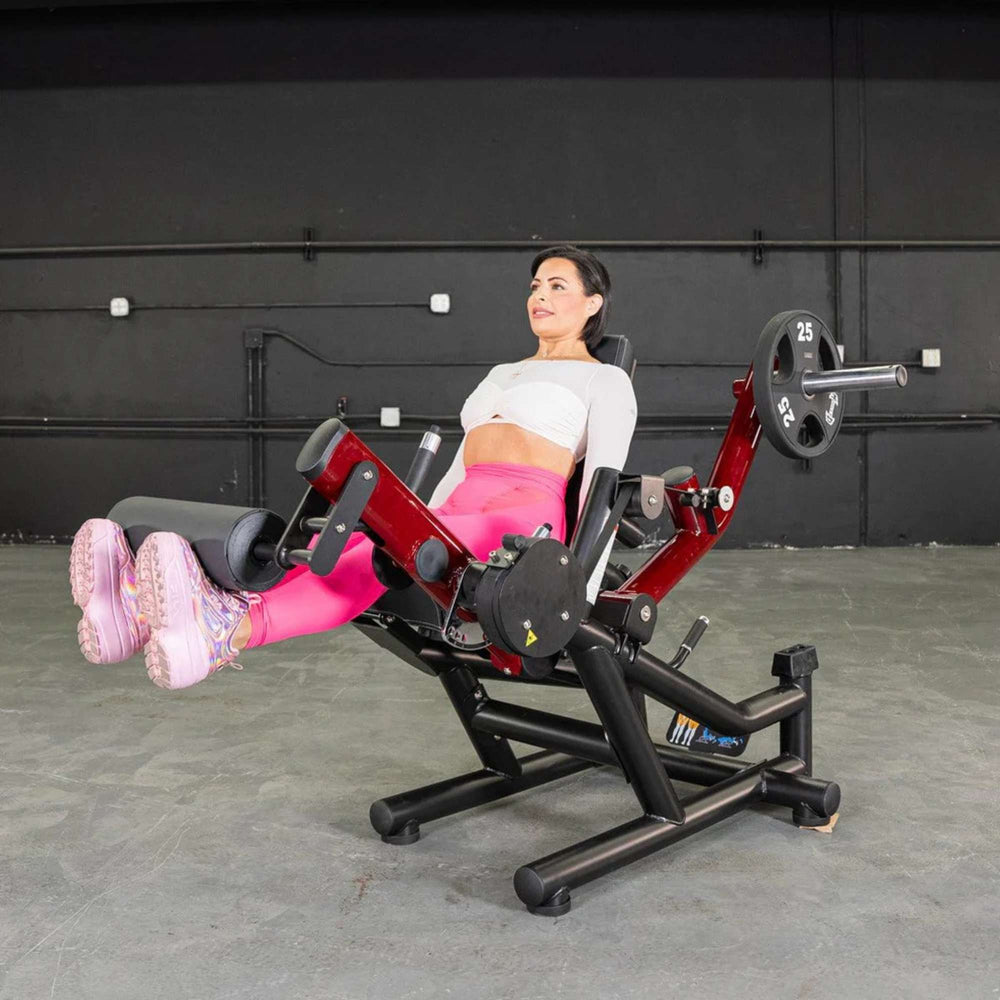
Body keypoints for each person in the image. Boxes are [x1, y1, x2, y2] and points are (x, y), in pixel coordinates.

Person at [69, 246, 638, 690]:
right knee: (348, 539)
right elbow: (462, 463)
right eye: (535, 286)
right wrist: (420, 518)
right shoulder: (501, 372)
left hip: (521, 526)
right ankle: (140, 613)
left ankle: (228, 630)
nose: (539, 295)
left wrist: (574, 589)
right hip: (462, 507)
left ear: (592, 304)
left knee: (380, 553)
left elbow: (604, 487)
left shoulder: (604, 380)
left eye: (558, 286)